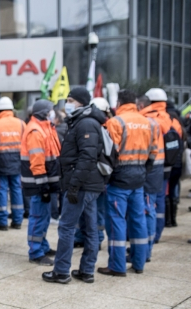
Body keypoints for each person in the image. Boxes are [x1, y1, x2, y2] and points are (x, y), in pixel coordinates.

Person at [42, 89, 106, 284]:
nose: (67, 103)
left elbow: (87, 157)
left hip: (81, 185)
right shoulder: (81, 121)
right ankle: (86, 271)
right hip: (88, 184)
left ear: (81, 102)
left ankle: (61, 271)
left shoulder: (85, 123)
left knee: (67, 228)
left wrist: (74, 186)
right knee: (90, 228)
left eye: (70, 100)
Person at [100, 90, 157, 276]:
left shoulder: (116, 122)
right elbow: (154, 152)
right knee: (138, 220)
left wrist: (106, 176)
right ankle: (139, 263)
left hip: (119, 180)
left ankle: (117, 266)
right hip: (139, 178)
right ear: (136, 102)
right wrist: (143, 170)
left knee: (116, 222)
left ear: (119, 102)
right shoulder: (147, 122)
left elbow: (109, 154)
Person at [140, 88, 183, 244]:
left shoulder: (147, 119)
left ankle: (146, 238)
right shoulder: (173, 120)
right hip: (168, 165)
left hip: (151, 166)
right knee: (160, 200)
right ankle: (156, 235)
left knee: (148, 203)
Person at [21, 100, 61, 266]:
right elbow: (37, 161)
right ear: (45, 112)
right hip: (39, 182)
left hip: (45, 181)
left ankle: (42, 246)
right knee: (38, 217)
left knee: (43, 216)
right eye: (51, 110)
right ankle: (36, 252)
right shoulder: (36, 131)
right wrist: (43, 184)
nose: (53, 112)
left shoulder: (47, 128)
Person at [73, 97, 111, 249]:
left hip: (95, 176)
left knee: (91, 210)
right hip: (101, 176)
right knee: (95, 211)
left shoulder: (94, 125)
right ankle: (93, 238)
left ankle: (91, 239)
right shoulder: (102, 125)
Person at [132, 95, 163, 262]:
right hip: (155, 169)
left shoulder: (146, 121)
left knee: (146, 209)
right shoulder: (153, 120)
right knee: (149, 208)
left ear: (141, 104)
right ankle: (145, 250)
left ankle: (144, 252)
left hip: (149, 169)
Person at [0, 96, 25, 231]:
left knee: (1, 190)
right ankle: (17, 220)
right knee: (16, 189)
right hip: (18, 159)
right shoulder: (21, 123)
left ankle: (2, 222)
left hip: (1, 161)